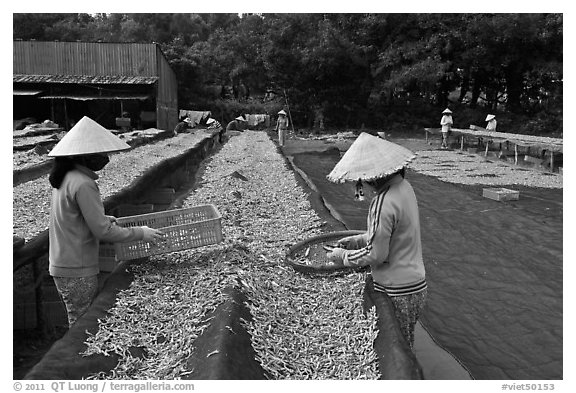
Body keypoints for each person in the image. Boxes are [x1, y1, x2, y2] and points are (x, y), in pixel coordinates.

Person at [47, 116, 165, 327]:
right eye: (99, 153)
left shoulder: (67, 178)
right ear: (83, 156)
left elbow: (72, 218)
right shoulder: (83, 184)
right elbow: (103, 232)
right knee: (81, 325)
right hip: (76, 267)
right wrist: (141, 233)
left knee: (76, 318)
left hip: (63, 262)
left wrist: (103, 219)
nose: (104, 157)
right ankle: (78, 360)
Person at [325, 132, 426, 349]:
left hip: (396, 289)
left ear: (373, 176)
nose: (366, 184)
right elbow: (396, 233)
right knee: (406, 343)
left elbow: (377, 254)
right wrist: (358, 240)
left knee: (397, 346)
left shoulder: (383, 201)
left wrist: (343, 256)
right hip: (416, 286)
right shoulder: (405, 188)